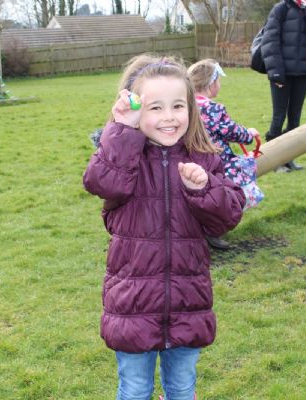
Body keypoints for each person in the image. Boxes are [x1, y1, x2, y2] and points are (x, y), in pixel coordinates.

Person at [83, 54, 246, 400]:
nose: (169, 117)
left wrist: (204, 189)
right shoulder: (124, 158)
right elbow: (101, 183)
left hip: (188, 302)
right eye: (155, 108)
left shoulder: (203, 157)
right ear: (134, 109)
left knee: (183, 387)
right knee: (135, 389)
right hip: (133, 304)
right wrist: (123, 131)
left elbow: (229, 215)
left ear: (191, 108)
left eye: (178, 106)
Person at [187, 59, 260, 250]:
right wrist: (249, 134)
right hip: (217, 161)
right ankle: (214, 230)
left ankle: (197, 229)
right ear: (211, 84)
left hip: (191, 159)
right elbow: (232, 131)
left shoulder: (185, 105)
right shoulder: (213, 109)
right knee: (226, 194)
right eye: (218, 80)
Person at [261, 0, 306, 172]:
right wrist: (276, 73)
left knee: (295, 118)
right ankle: (272, 161)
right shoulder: (280, 9)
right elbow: (270, 41)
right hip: (281, 72)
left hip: (303, 72)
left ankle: (288, 158)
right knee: (278, 117)